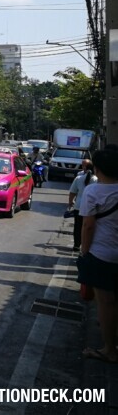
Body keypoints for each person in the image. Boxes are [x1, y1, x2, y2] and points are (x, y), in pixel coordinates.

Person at [77, 147, 118, 363]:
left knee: (106, 302)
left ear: (98, 169)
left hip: (101, 254)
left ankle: (110, 349)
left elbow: (88, 225)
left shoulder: (93, 192)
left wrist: (84, 251)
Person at [68, 159, 95, 251]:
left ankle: (76, 245)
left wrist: (70, 202)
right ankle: (86, 246)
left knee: (78, 227)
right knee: (89, 227)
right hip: (92, 208)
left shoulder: (79, 178)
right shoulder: (97, 180)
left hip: (79, 206)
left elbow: (72, 192)